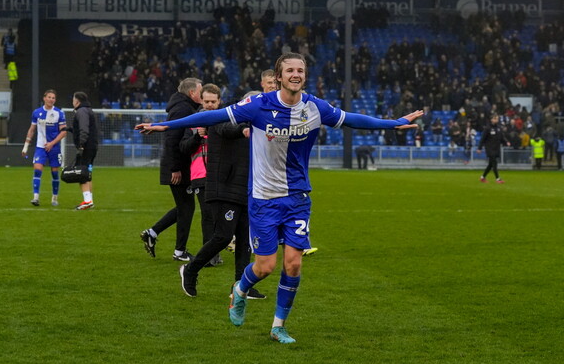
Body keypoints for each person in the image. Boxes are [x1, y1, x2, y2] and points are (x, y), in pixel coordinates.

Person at [138, 53, 421, 344]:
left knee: (294, 264)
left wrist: (393, 123)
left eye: (300, 70)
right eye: (290, 70)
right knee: (265, 267)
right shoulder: (259, 105)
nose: (296, 74)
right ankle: (239, 290)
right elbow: (214, 116)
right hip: (264, 198)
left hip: (298, 196)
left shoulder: (314, 107)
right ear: (279, 76)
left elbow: (353, 120)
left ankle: (278, 326)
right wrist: (167, 126)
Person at [180, 90, 265, 300]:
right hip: (223, 188)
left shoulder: (257, 125)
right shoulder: (223, 118)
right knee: (223, 236)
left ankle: (241, 286)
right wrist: (245, 130)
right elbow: (229, 129)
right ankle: (190, 270)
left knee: (245, 240)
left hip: (247, 189)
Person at [139, 77, 202, 262]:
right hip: (177, 166)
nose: (202, 93)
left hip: (180, 165)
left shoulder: (183, 107)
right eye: (200, 91)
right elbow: (173, 139)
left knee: (185, 206)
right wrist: (175, 168)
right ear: (192, 93)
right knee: (187, 207)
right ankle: (179, 251)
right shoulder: (183, 108)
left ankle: (152, 232)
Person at [179, 83, 222, 266]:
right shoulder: (193, 121)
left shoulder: (223, 120)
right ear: (201, 101)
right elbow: (183, 147)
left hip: (221, 174)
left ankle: (215, 253)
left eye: (213, 101)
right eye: (207, 101)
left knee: (220, 216)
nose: (210, 105)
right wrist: (197, 136)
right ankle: (209, 256)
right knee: (207, 215)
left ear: (219, 102)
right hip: (200, 175)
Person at [22, 89, 68, 207]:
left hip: (54, 148)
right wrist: (26, 146)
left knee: (54, 173)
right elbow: (32, 130)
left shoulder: (59, 113)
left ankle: (54, 198)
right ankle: (35, 197)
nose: (51, 99)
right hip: (40, 147)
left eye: (53, 98)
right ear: (44, 98)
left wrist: (52, 143)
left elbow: (63, 132)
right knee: (37, 169)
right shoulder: (37, 113)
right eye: (49, 97)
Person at [70, 91, 99, 210]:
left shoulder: (81, 111)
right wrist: (70, 129)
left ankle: (87, 201)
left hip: (86, 146)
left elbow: (84, 129)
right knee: (87, 172)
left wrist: (81, 144)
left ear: (77, 101)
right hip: (92, 146)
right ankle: (90, 200)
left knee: (82, 173)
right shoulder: (88, 110)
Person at [478, 113, 510, 183]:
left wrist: (506, 142)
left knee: (490, 164)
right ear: (491, 119)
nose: (497, 120)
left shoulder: (498, 128)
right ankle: (498, 179)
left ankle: (482, 177)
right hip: (489, 148)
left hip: (496, 148)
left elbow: (502, 137)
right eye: (495, 118)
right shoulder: (487, 128)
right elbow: (482, 139)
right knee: (494, 163)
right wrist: (479, 148)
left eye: (497, 118)